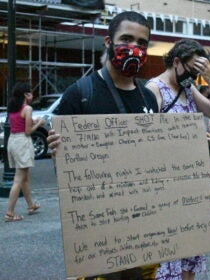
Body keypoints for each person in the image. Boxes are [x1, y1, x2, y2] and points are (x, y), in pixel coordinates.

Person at [47, 10, 159, 280]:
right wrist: (57, 152)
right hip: (99, 232)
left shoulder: (148, 98)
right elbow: (65, 172)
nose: (134, 48)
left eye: (142, 43)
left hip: (143, 228)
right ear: (108, 42)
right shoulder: (80, 93)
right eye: (126, 39)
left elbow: (158, 162)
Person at [145, 39, 210, 280]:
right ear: (176, 62)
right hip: (166, 188)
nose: (194, 77)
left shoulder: (188, 88)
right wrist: (193, 140)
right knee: (169, 262)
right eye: (192, 70)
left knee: (190, 258)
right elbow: (149, 141)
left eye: (199, 74)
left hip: (191, 180)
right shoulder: (155, 89)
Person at [4, 82, 45, 222]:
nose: (32, 95)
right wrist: (39, 124)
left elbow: (19, 122)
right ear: (26, 95)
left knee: (24, 176)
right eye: (30, 92)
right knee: (18, 178)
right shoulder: (27, 108)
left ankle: (31, 205)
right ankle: (9, 213)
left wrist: (33, 121)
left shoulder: (13, 108)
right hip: (22, 142)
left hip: (12, 141)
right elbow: (28, 132)